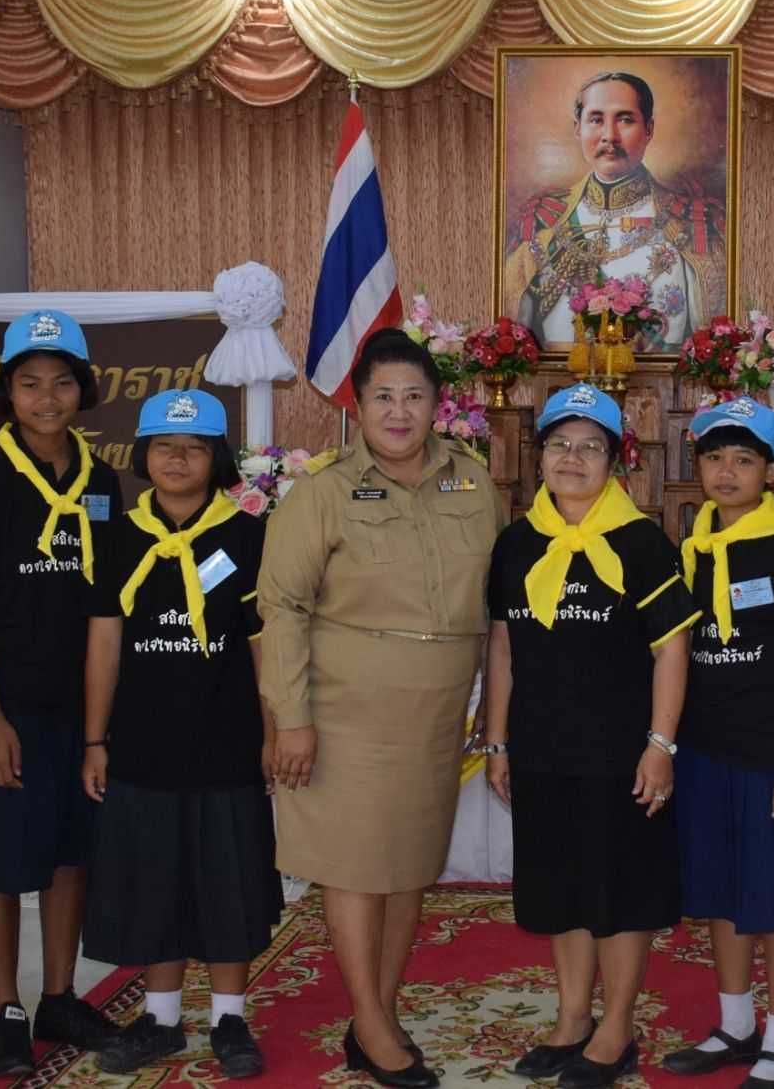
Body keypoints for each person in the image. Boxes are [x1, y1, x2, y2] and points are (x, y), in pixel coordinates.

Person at [256, 328, 507, 1089]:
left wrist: (494, 711)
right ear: (358, 407)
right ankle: (369, 1020)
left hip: (437, 718)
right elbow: (283, 606)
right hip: (347, 715)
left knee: (408, 868)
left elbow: (499, 605)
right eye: (383, 397)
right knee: (357, 868)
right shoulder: (322, 494)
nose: (399, 412)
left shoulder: (475, 485)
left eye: (414, 396)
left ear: (437, 405)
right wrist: (290, 718)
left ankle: (379, 1013)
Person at [484, 383, 698, 1088]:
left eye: (590, 446)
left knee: (620, 892)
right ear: (539, 454)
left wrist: (660, 746)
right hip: (543, 748)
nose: (572, 458)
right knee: (561, 888)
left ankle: (617, 1027)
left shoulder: (643, 543)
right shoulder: (517, 543)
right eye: (559, 443)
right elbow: (503, 645)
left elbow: (672, 649)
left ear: (615, 461)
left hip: (621, 755)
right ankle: (573, 1017)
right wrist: (497, 741)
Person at [81, 389, 278, 1080]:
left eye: (194, 448)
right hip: (141, 743)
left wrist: (272, 731)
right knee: (154, 881)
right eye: (164, 446)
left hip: (226, 740)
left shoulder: (248, 535)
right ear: (143, 454)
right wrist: (94, 739)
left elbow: (263, 644)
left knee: (228, 879)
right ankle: (161, 1018)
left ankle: (229, 1016)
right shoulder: (119, 535)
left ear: (216, 459)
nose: (177, 459)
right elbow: (104, 642)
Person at [0, 309, 126, 1076]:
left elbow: (106, 607)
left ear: (83, 389)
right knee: (0, 859)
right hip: (11, 706)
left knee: (70, 854)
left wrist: (98, 729)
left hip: (81, 706)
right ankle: (6, 1009)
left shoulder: (101, 481)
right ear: (8, 391)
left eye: (61, 382)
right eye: (29, 383)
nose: (46, 398)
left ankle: (59, 995)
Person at [660, 396, 774, 1089]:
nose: (726, 472)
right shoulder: (692, 548)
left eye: (743, 459)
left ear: (771, 470)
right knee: (721, 892)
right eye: (714, 458)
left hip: (769, 757)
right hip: (705, 751)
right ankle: (736, 1024)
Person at [504, 70, 727, 351]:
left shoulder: (690, 224)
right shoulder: (544, 222)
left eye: (625, 119)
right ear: (578, 128)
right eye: (596, 120)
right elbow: (513, 333)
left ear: (649, 129)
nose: (610, 136)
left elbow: (712, 340)